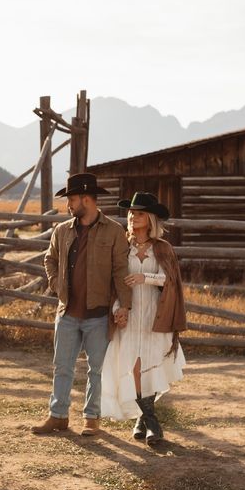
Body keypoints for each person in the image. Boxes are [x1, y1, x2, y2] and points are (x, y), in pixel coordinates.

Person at [31, 173, 132, 436]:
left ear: (86, 199)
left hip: (98, 313)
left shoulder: (114, 231)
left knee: (96, 369)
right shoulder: (62, 230)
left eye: (72, 200)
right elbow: (49, 260)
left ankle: (91, 418)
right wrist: (56, 284)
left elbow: (121, 271)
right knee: (62, 366)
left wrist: (125, 305)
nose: (68, 206)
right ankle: (58, 416)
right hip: (67, 313)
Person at [101, 192, 187, 445]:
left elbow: (169, 280)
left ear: (149, 219)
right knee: (134, 368)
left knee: (151, 367)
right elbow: (115, 283)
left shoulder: (162, 248)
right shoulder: (122, 247)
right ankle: (152, 423)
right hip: (130, 313)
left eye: (139, 213)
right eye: (131, 213)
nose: (133, 217)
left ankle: (144, 421)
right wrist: (118, 308)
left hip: (154, 314)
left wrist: (144, 278)